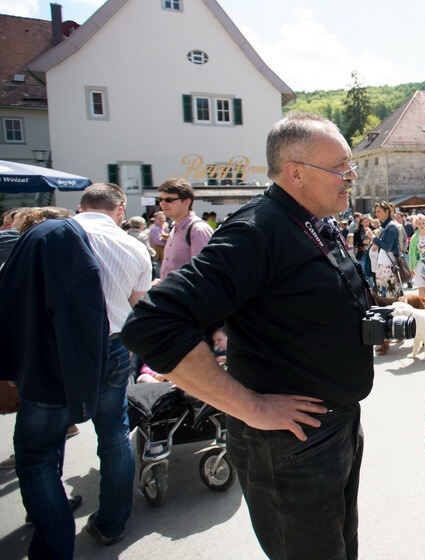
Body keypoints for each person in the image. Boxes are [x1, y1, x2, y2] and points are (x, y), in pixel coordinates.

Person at [121, 112, 372, 560]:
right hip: (291, 446)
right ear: (296, 172)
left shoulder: (308, 221)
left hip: (333, 429)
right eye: (340, 167)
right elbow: (152, 323)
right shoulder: (257, 231)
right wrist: (250, 407)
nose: (351, 176)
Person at [0, 213, 108, 559]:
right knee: (41, 459)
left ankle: (53, 542)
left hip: (41, 379)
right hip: (51, 378)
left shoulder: (38, 245)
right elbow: (81, 326)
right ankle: (54, 530)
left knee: (36, 461)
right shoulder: (62, 242)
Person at [72, 183, 153, 545]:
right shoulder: (134, 246)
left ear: (80, 206)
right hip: (115, 343)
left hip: (62, 345)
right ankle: (113, 521)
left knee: (46, 437)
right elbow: (140, 307)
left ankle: (50, 504)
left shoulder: (61, 235)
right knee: (114, 431)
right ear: (120, 208)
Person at [157, 179, 214, 279]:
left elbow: (203, 274)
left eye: (169, 200)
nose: (162, 203)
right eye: (160, 200)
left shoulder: (198, 230)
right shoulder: (175, 227)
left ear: (186, 202)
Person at [367, 200, 403, 299]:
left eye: (379, 211)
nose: (376, 213)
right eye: (376, 211)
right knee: (383, 293)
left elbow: (387, 247)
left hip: (388, 264)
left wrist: (373, 237)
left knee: (391, 295)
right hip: (383, 264)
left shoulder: (391, 226)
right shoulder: (386, 226)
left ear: (387, 211)